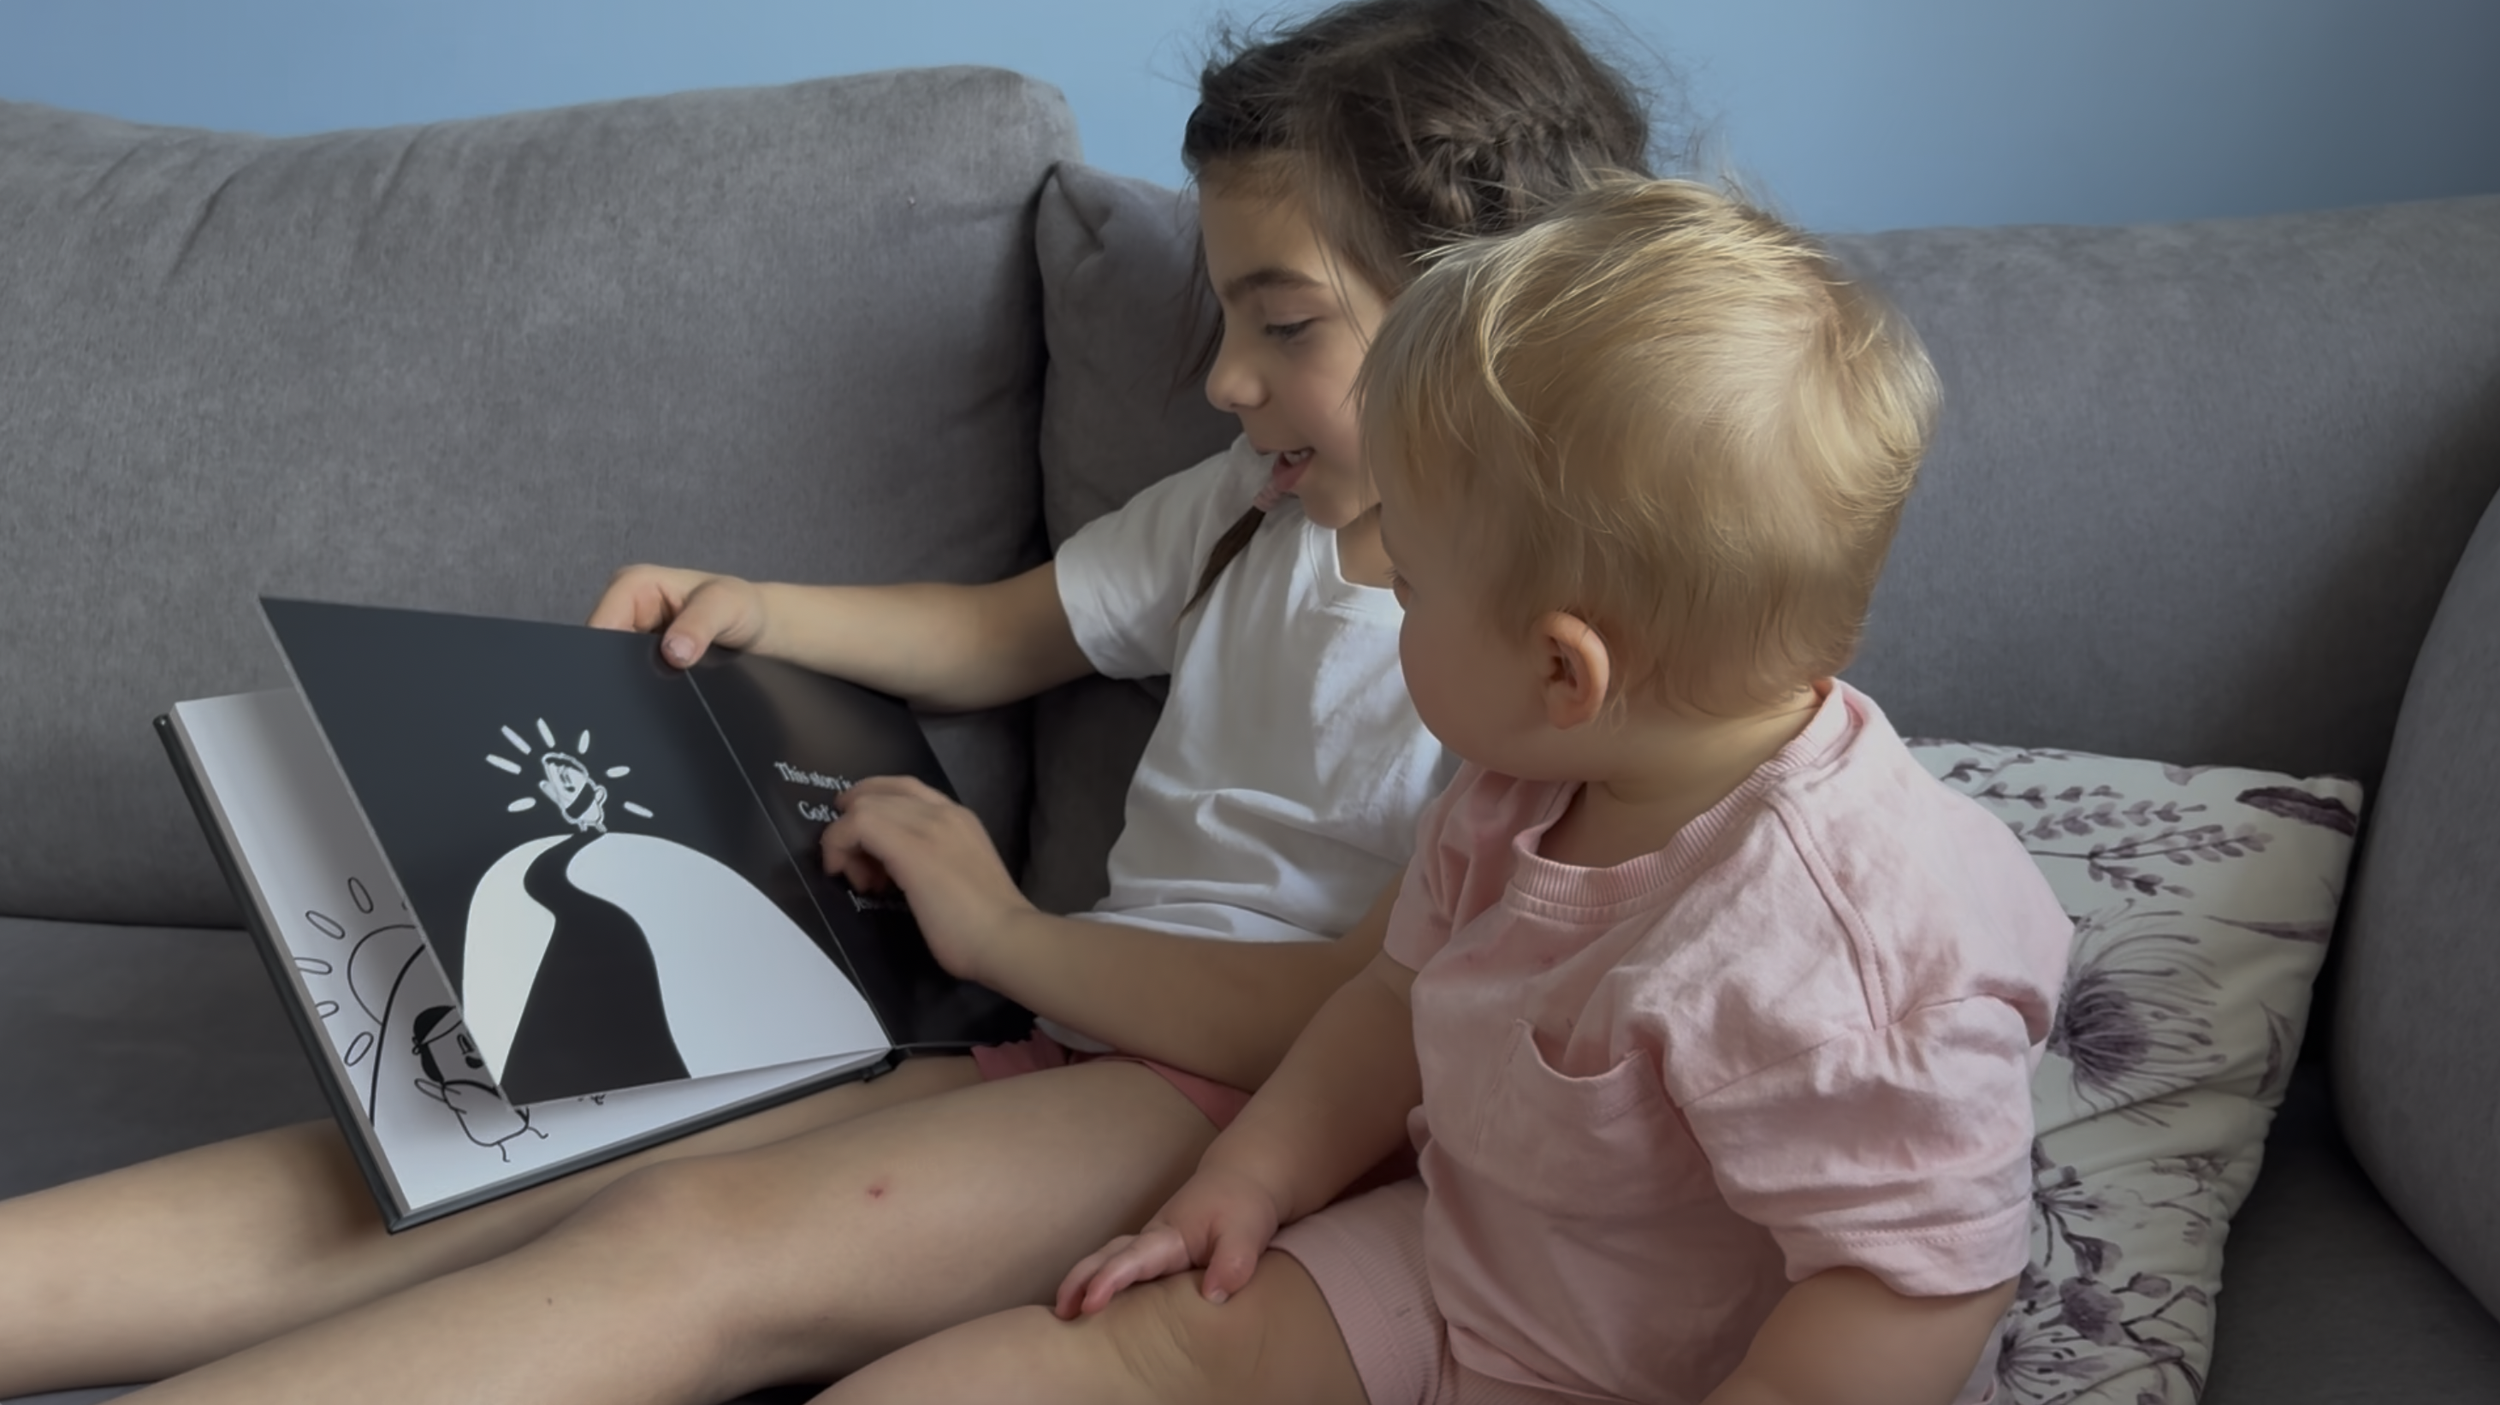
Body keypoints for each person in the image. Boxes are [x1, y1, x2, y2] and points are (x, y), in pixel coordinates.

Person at [0, 3, 1663, 1401]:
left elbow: (1362, 1022)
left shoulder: (1524, 667)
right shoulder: (1247, 504)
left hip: (1240, 1102)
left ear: (1498, 313)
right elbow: (1009, 628)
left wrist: (1005, 936)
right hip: (1054, 1036)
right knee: (485, 1129)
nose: (1224, 380)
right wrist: (761, 609)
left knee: (687, 1245)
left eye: (1282, 325)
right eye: (1223, 317)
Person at [811, 178, 2075, 1405]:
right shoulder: (1515, 790)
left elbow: (1908, 1294)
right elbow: (1390, 1001)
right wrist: (1253, 1176)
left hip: (1679, 1365)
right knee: (1142, 1348)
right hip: (1461, 1260)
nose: (1386, 602)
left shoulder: (1847, 944)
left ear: (1562, 670)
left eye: (1406, 584)